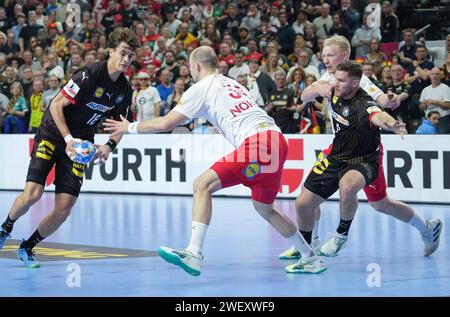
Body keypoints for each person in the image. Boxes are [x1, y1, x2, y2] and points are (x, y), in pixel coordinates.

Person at [104, 46, 323, 276]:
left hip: (259, 143)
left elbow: (166, 124)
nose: (190, 72)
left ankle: (193, 253)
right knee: (264, 209)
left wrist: (128, 127)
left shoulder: (200, 87)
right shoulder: (231, 83)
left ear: (196, 66)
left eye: (190, 67)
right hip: (276, 140)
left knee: (202, 185)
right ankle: (310, 258)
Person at [279, 36, 442, 260]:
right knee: (308, 198)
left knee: (379, 203)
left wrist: (390, 103)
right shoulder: (329, 77)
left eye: (330, 55)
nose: (325, 59)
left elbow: (379, 103)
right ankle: (309, 243)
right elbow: (304, 96)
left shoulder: (358, 81)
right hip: (338, 148)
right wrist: (320, 88)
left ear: (344, 56)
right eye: (324, 55)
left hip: (364, 151)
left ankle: (426, 227)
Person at [0, 28, 141, 268]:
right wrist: (68, 140)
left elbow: (122, 126)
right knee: (33, 194)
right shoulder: (88, 75)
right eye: (123, 53)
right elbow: (56, 105)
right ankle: (5, 228)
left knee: (64, 209)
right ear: (110, 51)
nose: (127, 59)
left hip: (82, 143)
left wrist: (108, 146)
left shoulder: (124, 89)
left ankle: (27, 246)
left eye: (131, 56)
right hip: (53, 134)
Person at [285, 61, 408, 273]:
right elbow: (304, 95)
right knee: (303, 204)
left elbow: (379, 116)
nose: (337, 83)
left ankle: (341, 234)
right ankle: (308, 256)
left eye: (342, 80)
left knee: (348, 186)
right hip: (336, 155)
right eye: (336, 79)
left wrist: (392, 125)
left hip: (364, 158)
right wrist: (317, 88)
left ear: (355, 83)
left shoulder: (364, 103)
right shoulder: (332, 90)